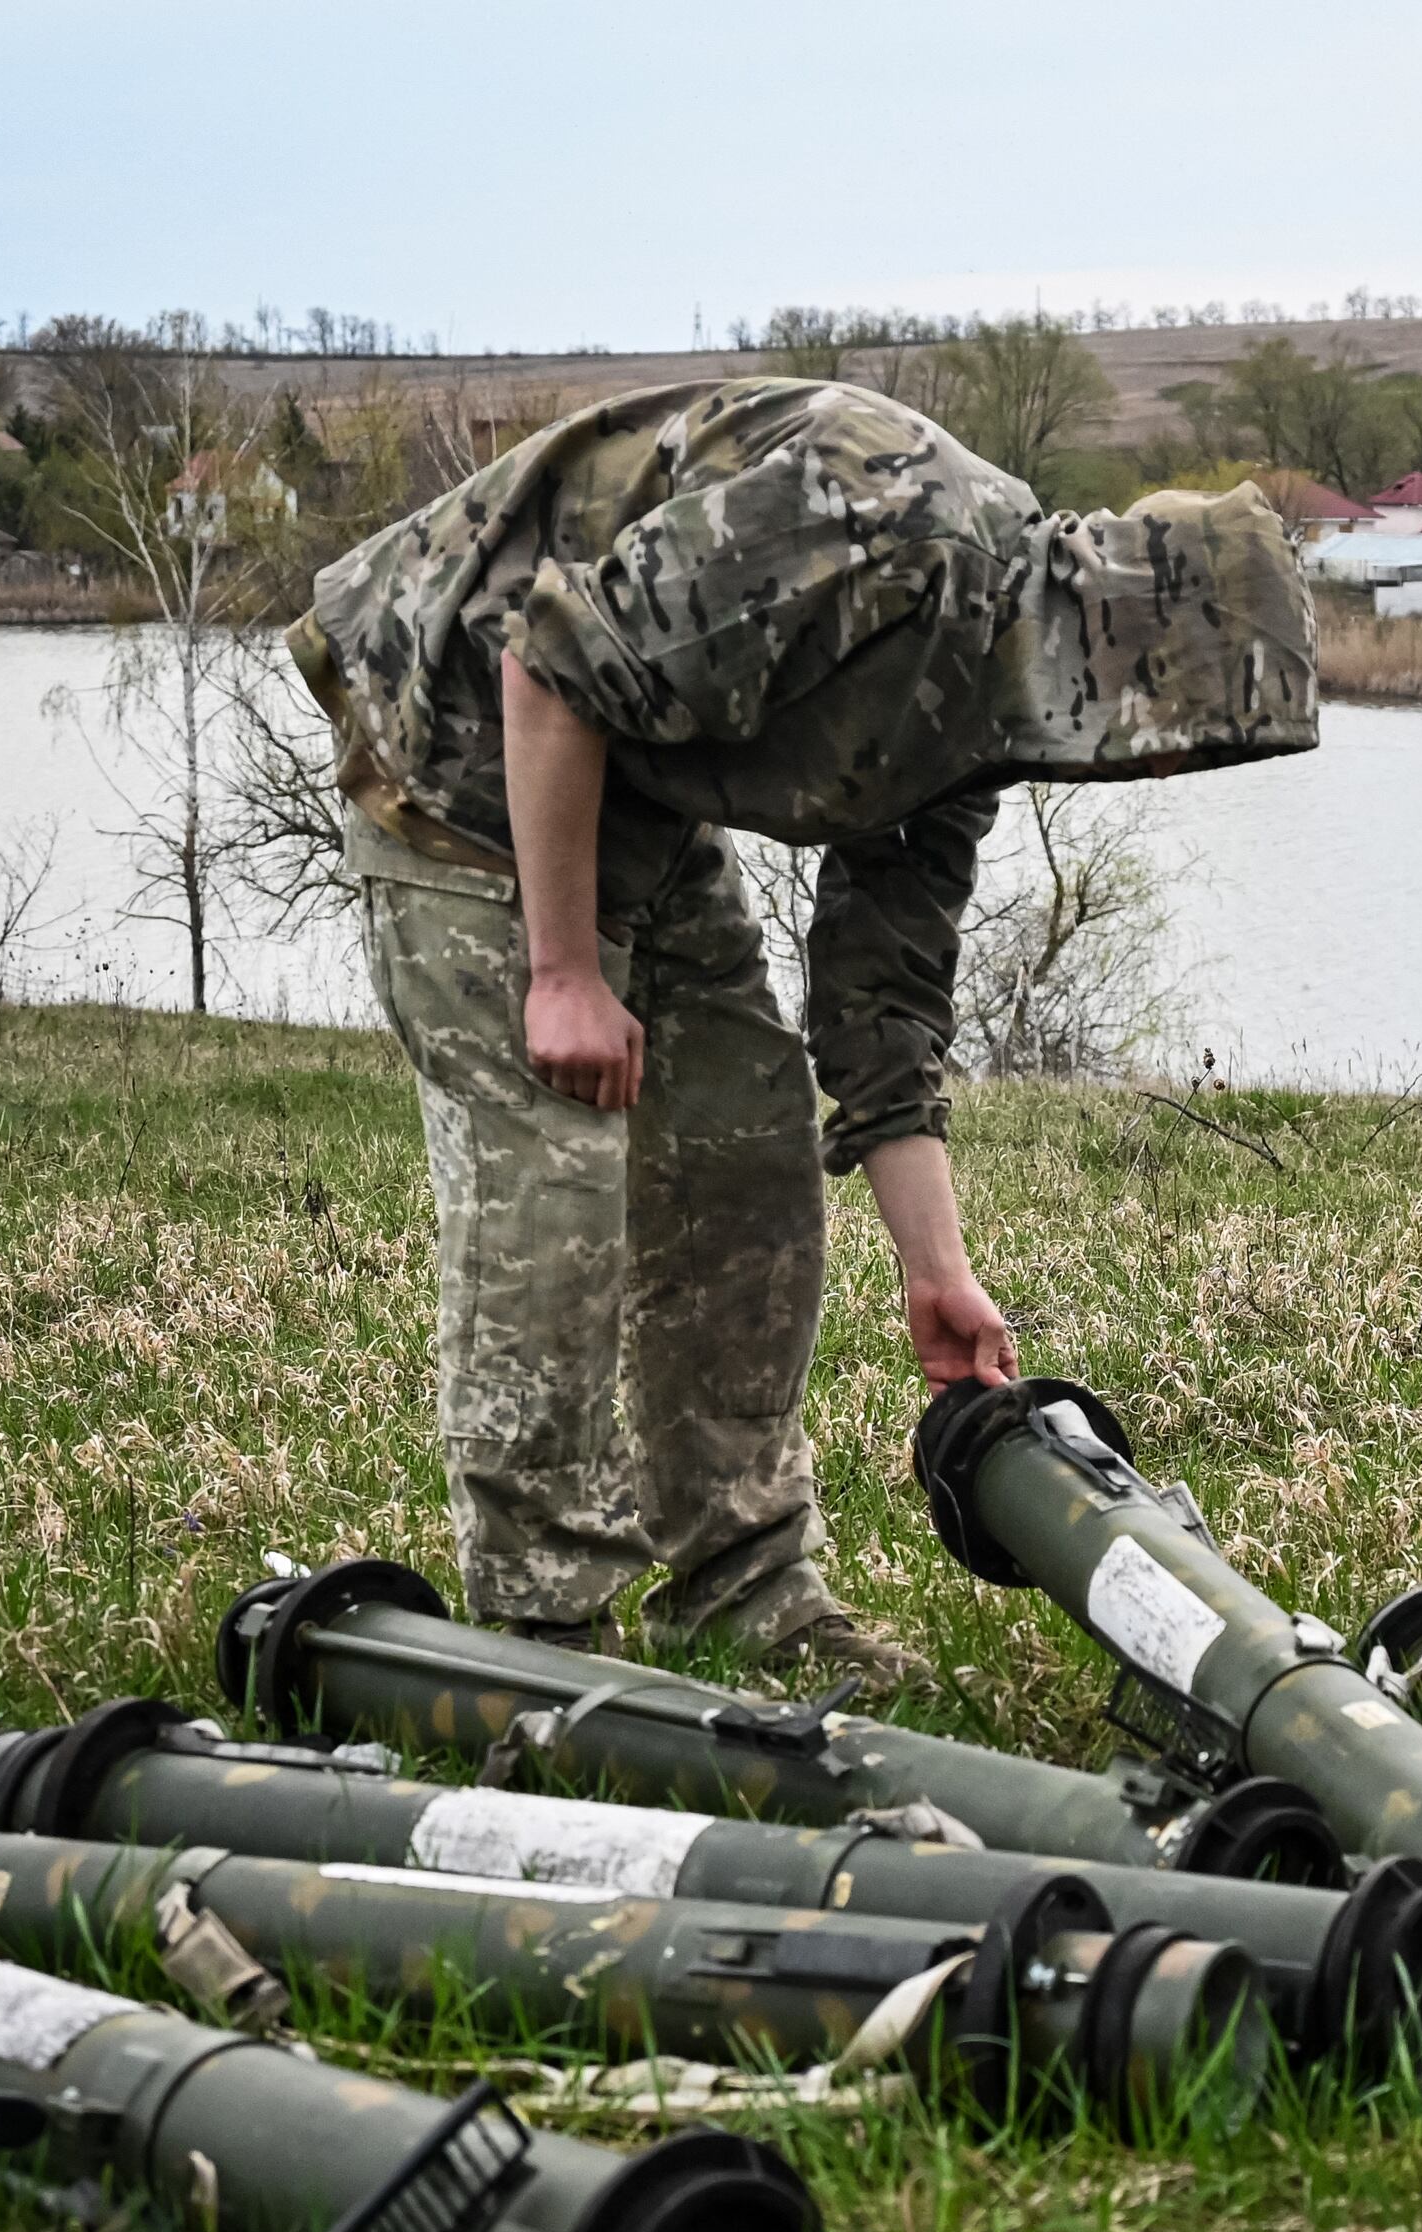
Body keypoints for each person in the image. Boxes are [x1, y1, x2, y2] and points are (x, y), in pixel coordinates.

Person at [288, 376, 1316, 1684]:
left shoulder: (998, 695)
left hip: (631, 795)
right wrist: (560, 972)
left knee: (747, 1150)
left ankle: (745, 1594)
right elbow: (550, 659)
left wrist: (935, 1271)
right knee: (554, 1176)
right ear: (1130, 641)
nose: (1167, 768)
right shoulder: (884, 522)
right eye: (1186, 729)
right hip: (457, 747)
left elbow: (883, 1003)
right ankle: (546, 1638)